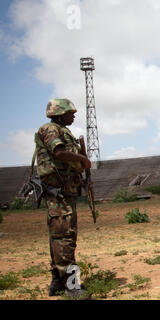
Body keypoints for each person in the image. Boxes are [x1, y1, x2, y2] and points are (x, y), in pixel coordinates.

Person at [34, 98, 91, 298]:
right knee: (64, 238)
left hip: (65, 192)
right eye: (70, 112)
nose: (73, 115)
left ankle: (57, 282)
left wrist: (80, 179)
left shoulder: (62, 130)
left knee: (60, 237)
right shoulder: (50, 129)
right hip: (57, 194)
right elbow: (58, 152)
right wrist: (83, 159)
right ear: (59, 113)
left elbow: (64, 163)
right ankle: (72, 286)